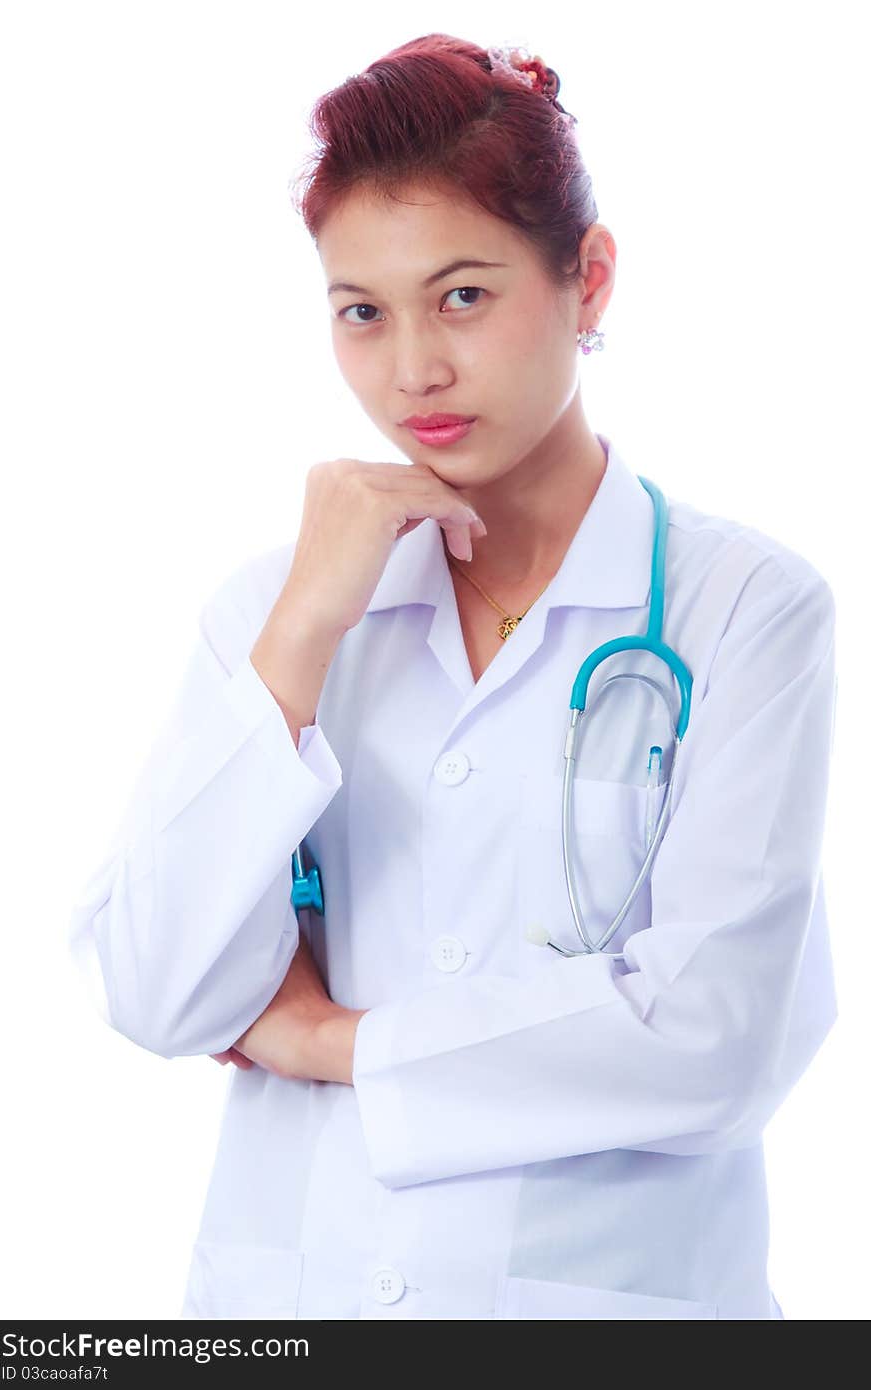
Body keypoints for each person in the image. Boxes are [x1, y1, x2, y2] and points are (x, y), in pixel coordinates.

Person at [67, 33, 839, 1321]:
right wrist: (310, 625)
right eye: (361, 311)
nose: (412, 368)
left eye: (463, 296)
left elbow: (714, 1042)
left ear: (587, 280)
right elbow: (155, 988)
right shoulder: (274, 610)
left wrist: (326, 1041)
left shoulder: (744, 611)